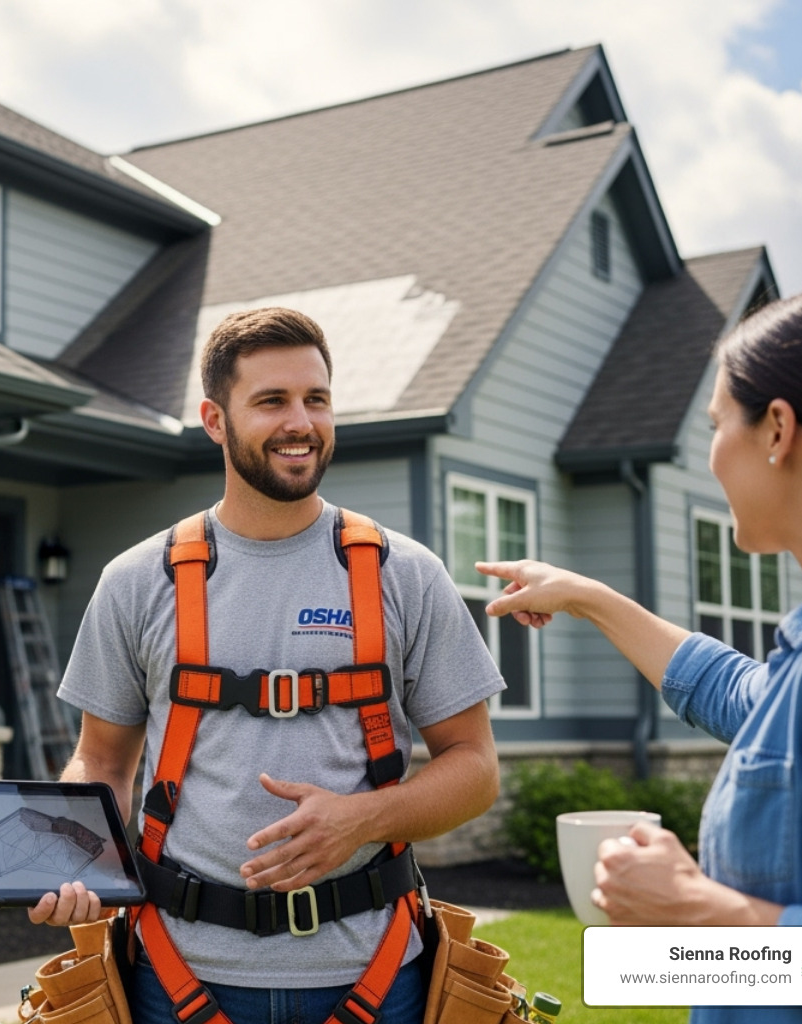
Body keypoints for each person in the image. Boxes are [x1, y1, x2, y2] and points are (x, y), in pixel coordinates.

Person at [29, 307, 504, 1024]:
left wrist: (363, 818)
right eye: (272, 400)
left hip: (377, 978)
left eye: (317, 399)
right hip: (177, 976)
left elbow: (475, 767)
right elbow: (100, 761)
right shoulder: (137, 581)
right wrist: (74, 859)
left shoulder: (404, 574)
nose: (301, 422)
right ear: (215, 420)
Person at [480, 287, 802, 1024]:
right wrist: (587, 595)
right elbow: (740, 696)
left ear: (779, 430)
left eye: (718, 422)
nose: (711, 454)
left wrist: (696, 906)